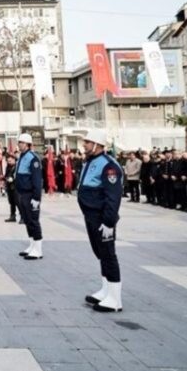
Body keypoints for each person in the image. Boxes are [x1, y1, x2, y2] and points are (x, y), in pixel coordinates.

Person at [78, 129, 124, 312]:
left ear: (97, 145)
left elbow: (113, 197)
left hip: (102, 218)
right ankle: (106, 290)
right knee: (100, 253)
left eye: (88, 142)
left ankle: (115, 299)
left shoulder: (109, 166)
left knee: (108, 254)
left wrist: (109, 222)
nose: (84, 145)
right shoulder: (91, 162)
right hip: (91, 215)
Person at [15, 133, 43, 260]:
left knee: (33, 221)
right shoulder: (22, 156)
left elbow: (37, 180)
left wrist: (36, 198)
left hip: (30, 194)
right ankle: (32, 245)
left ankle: (38, 249)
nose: (19, 144)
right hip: (22, 193)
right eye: (19, 142)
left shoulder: (33, 158)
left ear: (27, 144)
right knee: (27, 220)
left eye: (21, 142)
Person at [4, 155, 18, 223]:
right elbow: (6, 175)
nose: (9, 162)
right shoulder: (8, 166)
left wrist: (13, 179)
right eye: (8, 161)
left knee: (18, 202)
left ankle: (23, 217)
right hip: (9, 186)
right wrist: (6, 178)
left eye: (10, 161)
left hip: (16, 187)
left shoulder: (17, 167)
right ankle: (12, 216)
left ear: (14, 159)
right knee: (11, 202)